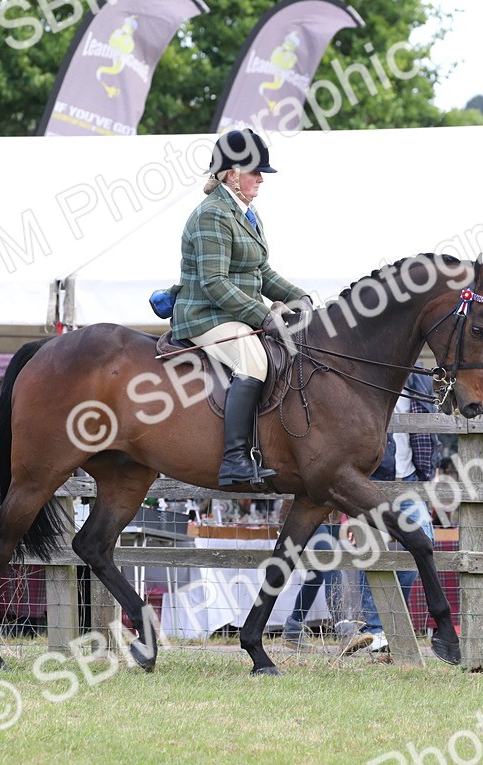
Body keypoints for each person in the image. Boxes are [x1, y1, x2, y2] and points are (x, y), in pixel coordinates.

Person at [171, 128, 310, 486]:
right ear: (232, 173)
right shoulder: (212, 215)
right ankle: (234, 458)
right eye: (254, 171)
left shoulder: (247, 213)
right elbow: (215, 282)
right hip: (206, 314)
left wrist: (300, 298)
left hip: (234, 314)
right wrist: (263, 315)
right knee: (254, 359)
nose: (261, 178)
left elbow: (261, 271)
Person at [282, 371, 438, 654]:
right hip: (361, 487)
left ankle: (384, 624)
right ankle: (362, 629)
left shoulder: (419, 385)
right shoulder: (359, 385)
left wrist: (428, 480)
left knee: (421, 547)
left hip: (407, 484)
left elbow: (429, 435)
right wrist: (349, 515)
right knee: (333, 562)